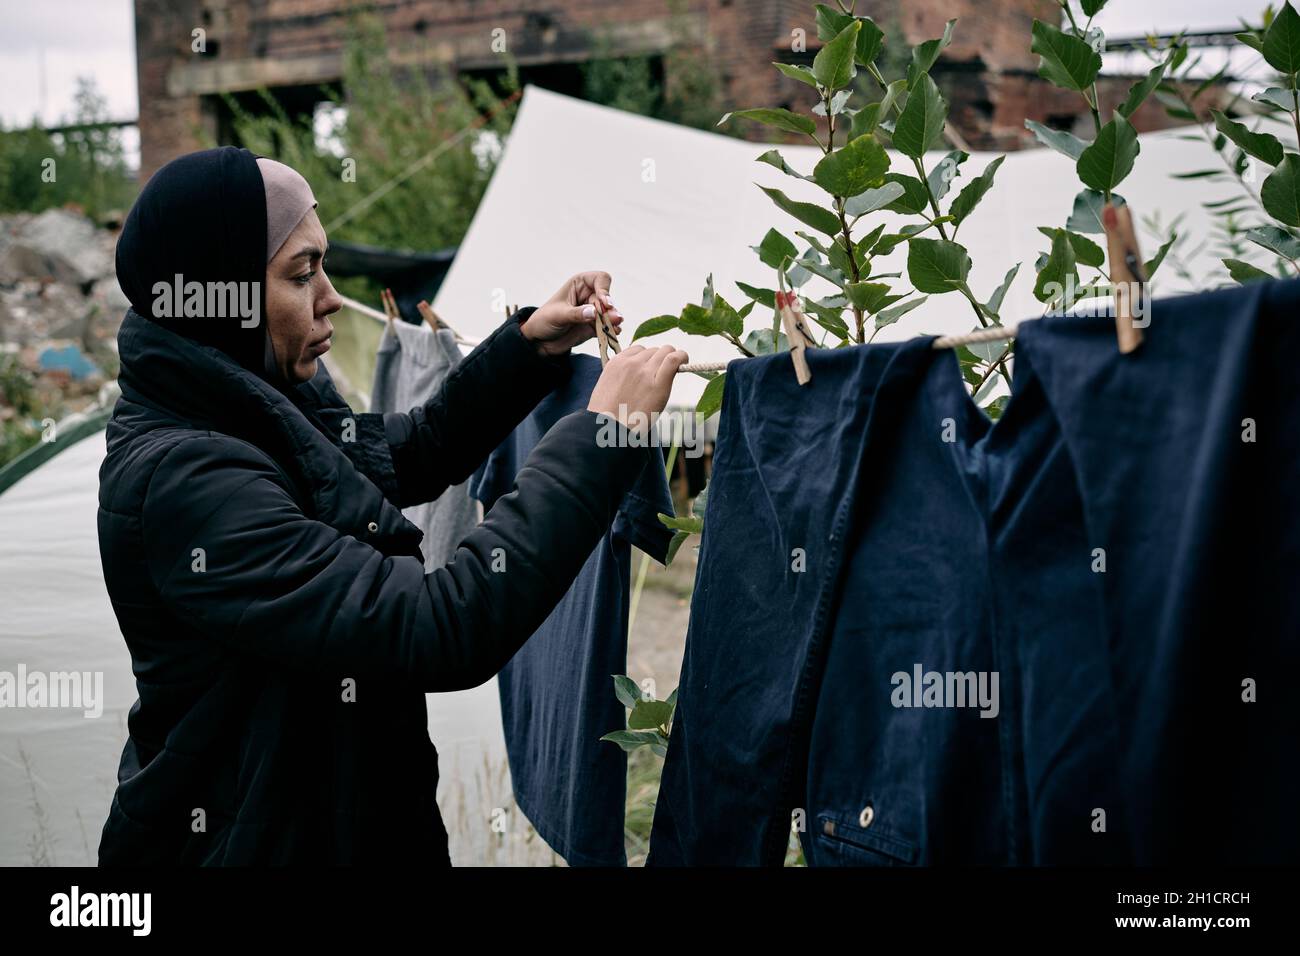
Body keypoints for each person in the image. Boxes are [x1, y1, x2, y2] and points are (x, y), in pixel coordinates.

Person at [97, 146, 688, 865]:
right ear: (220, 292)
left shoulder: (256, 396)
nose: (330, 299)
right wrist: (604, 438)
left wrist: (529, 348)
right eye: (301, 273)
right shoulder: (188, 478)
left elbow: (404, 454)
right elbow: (440, 626)